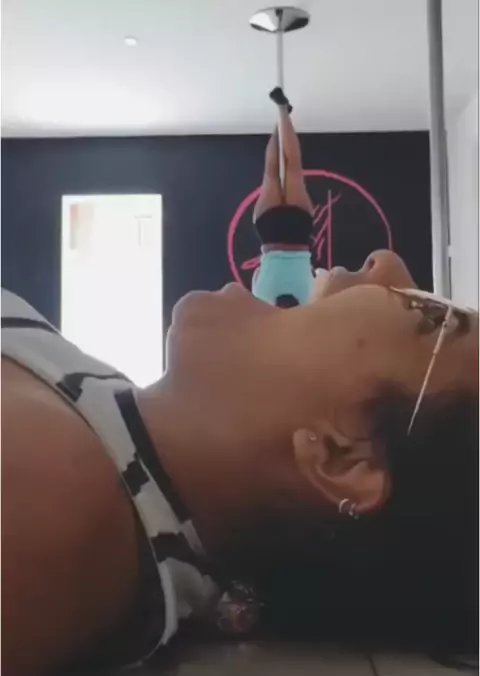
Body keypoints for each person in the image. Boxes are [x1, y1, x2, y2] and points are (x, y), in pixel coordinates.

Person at [2, 109, 478, 672]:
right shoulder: (101, 438)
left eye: (431, 317)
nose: (385, 263)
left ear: (340, 456)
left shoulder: (51, 507)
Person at [252, 87, 317, 308]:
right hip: (272, 236)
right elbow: (257, 274)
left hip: (297, 236)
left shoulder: (308, 303)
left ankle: (283, 113)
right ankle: (281, 114)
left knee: (290, 168)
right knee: (272, 171)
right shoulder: (263, 303)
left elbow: (314, 274)